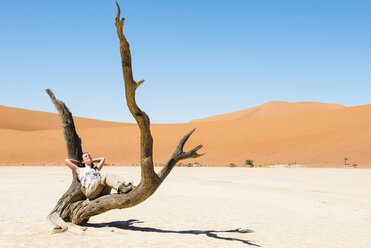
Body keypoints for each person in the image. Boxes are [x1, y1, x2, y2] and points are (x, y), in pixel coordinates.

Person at [65, 152, 134, 200]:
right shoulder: (80, 170)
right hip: (90, 191)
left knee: (111, 174)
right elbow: (67, 160)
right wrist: (79, 162)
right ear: (83, 161)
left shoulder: (96, 169)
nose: (88, 156)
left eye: (89, 155)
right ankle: (121, 188)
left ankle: (124, 186)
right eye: (86, 156)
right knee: (104, 176)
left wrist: (91, 160)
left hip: (100, 191)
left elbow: (102, 159)